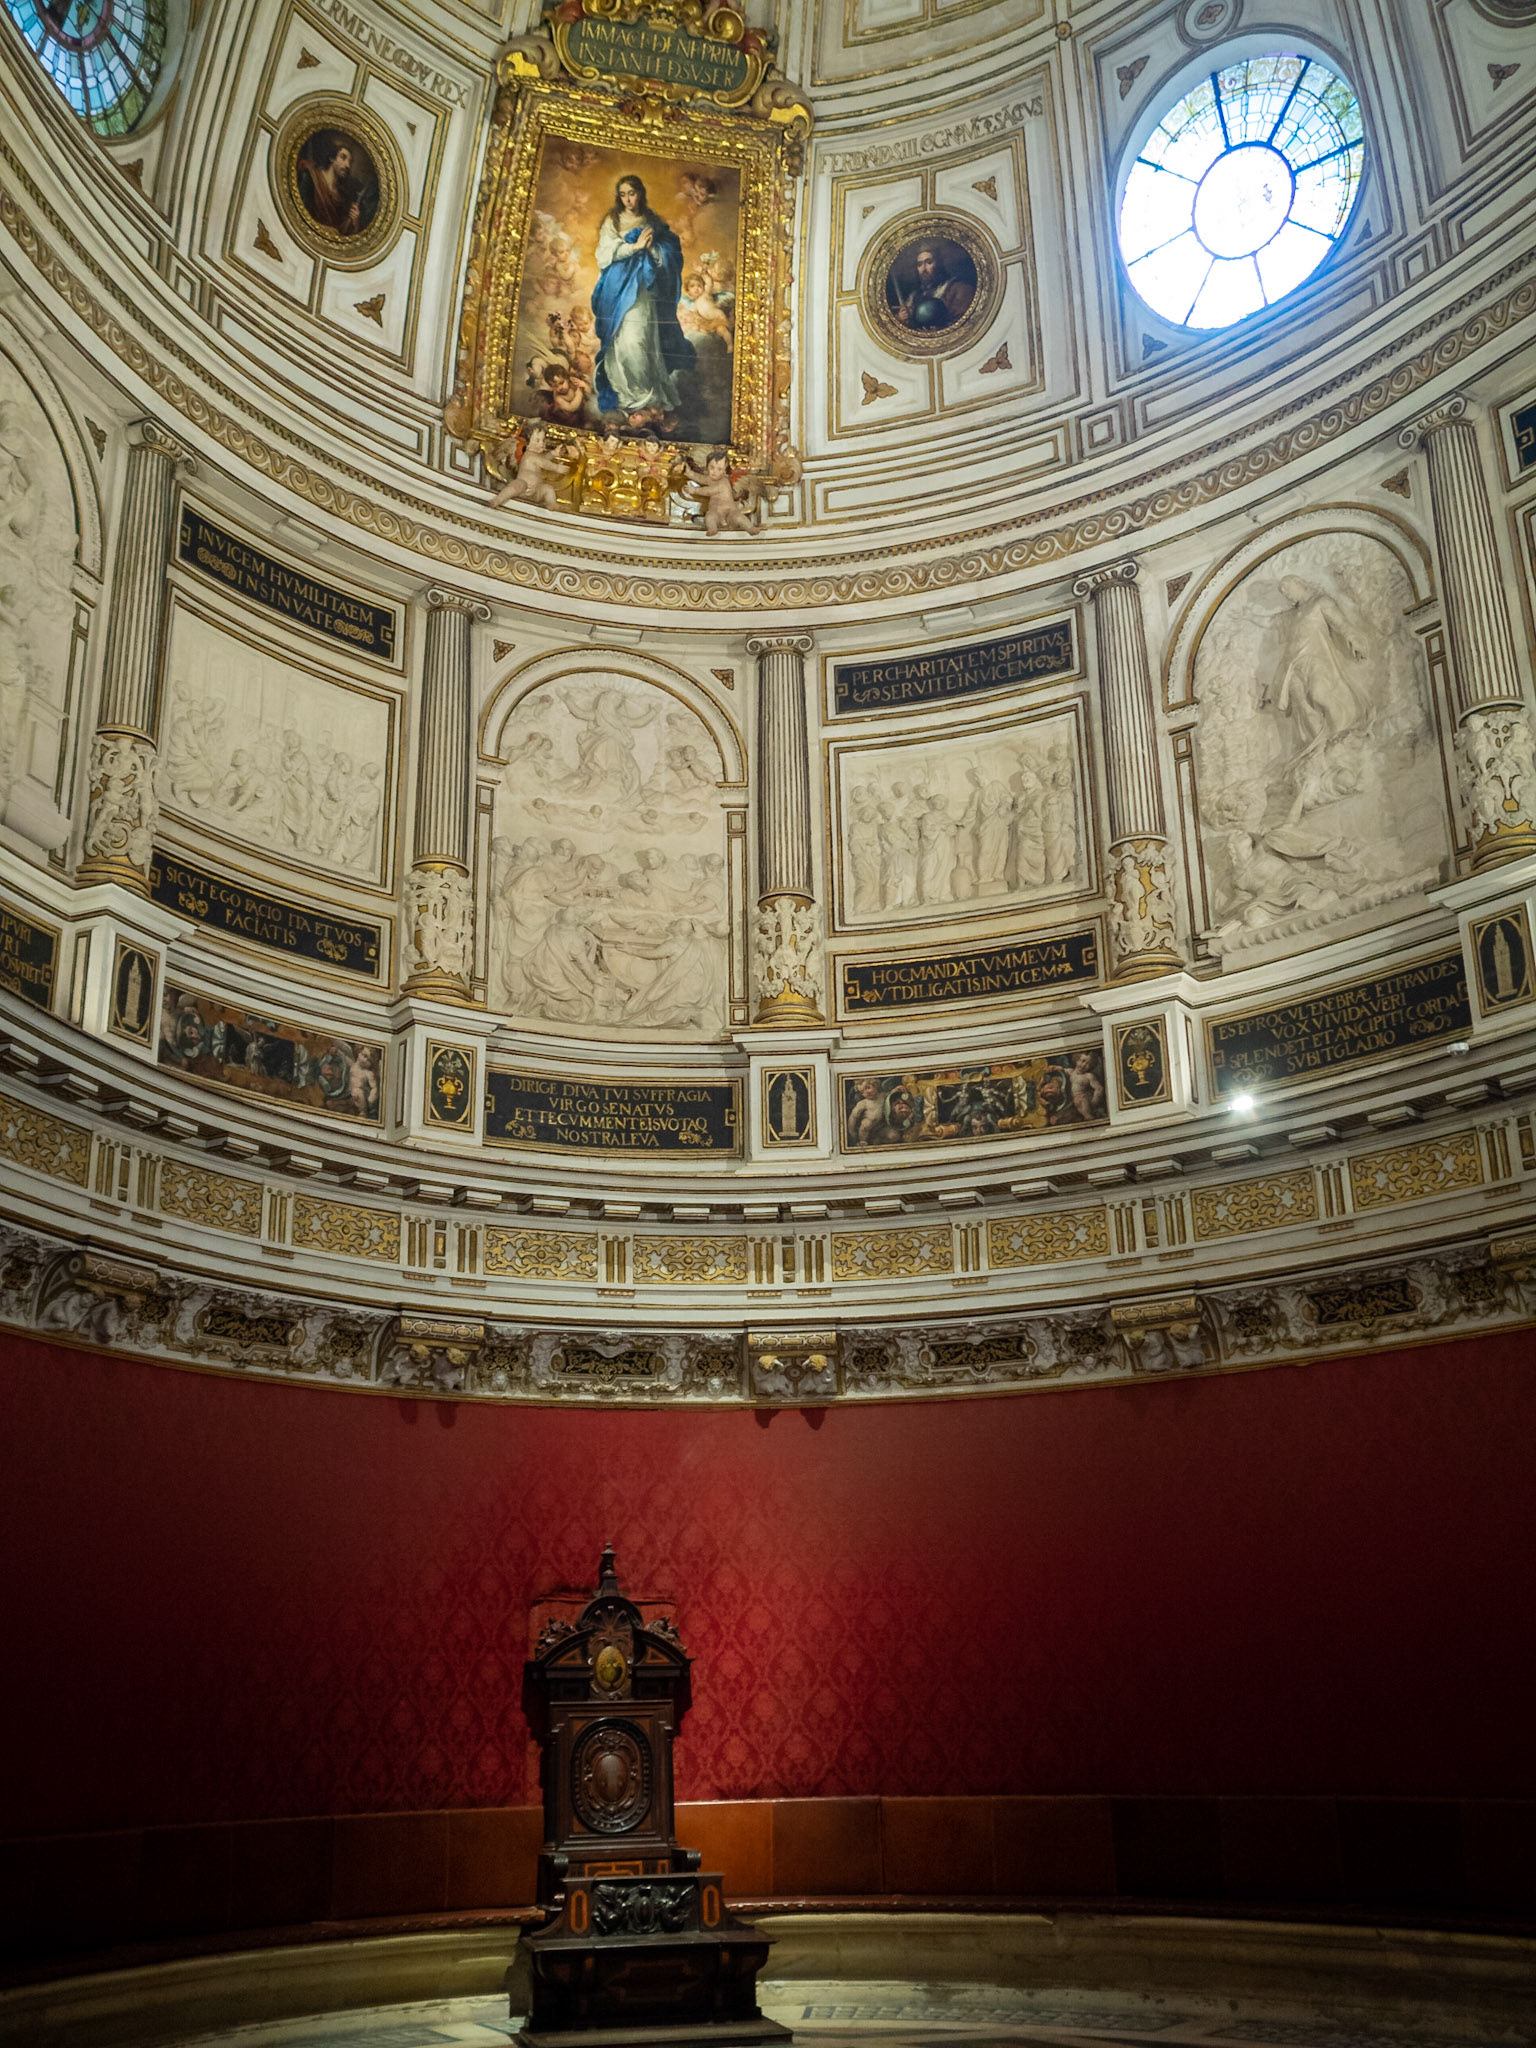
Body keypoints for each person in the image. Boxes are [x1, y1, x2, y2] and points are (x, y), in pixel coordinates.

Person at [591, 177, 695, 430]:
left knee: (639, 341)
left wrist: (650, 251)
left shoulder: (652, 222)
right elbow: (604, 255)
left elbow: (669, 254)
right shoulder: (612, 222)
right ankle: (628, 398)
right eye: (623, 194)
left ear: (640, 194)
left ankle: (645, 397)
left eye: (632, 193)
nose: (628, 199)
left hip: (642, 291)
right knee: (621, 342)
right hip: (617, 289)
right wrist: (633, 247)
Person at [296, 133, 377, 237]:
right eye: (343, 158)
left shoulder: (341, 195)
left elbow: (342, 233)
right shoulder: (312, 178)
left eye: (350, 162)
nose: (347, 165)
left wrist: (354, 220)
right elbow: (300, 214)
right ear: (332, 158)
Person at [894, 243, 974, 329]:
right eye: (919, 264)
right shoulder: (915, 296)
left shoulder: (960, 290)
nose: (923, 269)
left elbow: (965, 325)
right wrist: (901, 319)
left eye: (929, 262)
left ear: (939, 264)